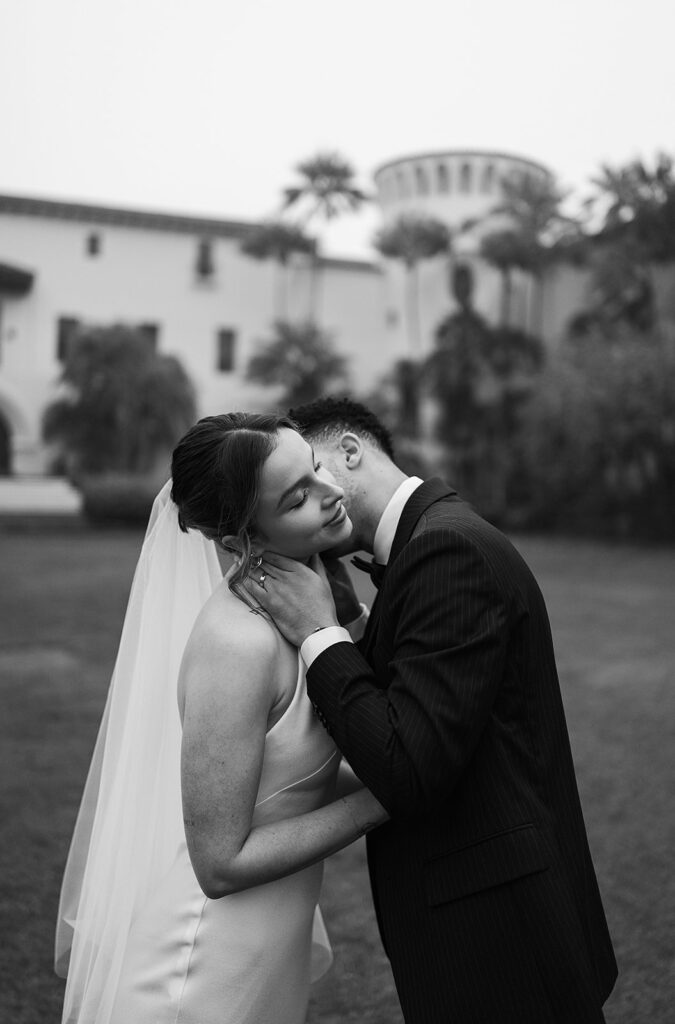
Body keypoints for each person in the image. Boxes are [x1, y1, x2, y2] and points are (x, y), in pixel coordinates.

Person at [243, 396, 618, 1024]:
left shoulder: (447, 552)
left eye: (309, 473)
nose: (310, 499)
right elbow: (427, 698)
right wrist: (355, 622)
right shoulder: (433, 539)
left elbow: (407, 766)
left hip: (497, 935)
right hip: (501, 913)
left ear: (350, 451)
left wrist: (317, 634)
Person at [55, 412, 388, 1024]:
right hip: (202, 973)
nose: (333, 491)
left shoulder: (309, 606)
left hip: (265, 959)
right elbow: (220, 862)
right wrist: (386, 799)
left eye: (315, 469)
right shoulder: (238, 645)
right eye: (297, 498)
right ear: (242, 541)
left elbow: (292, 782)